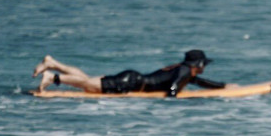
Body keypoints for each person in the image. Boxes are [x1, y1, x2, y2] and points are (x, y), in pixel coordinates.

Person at [32, 50, 226, 97]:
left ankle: (53, 63)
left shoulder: (182, 69)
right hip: (130, 84)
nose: (204, 68)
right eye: (203, 64)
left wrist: (223, 87)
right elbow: (173, 91)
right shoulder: (184, 72)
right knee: (86, 85)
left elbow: (201, 83)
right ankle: (53, 77)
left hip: (132, 78)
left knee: (85, 80)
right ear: (197, 64)